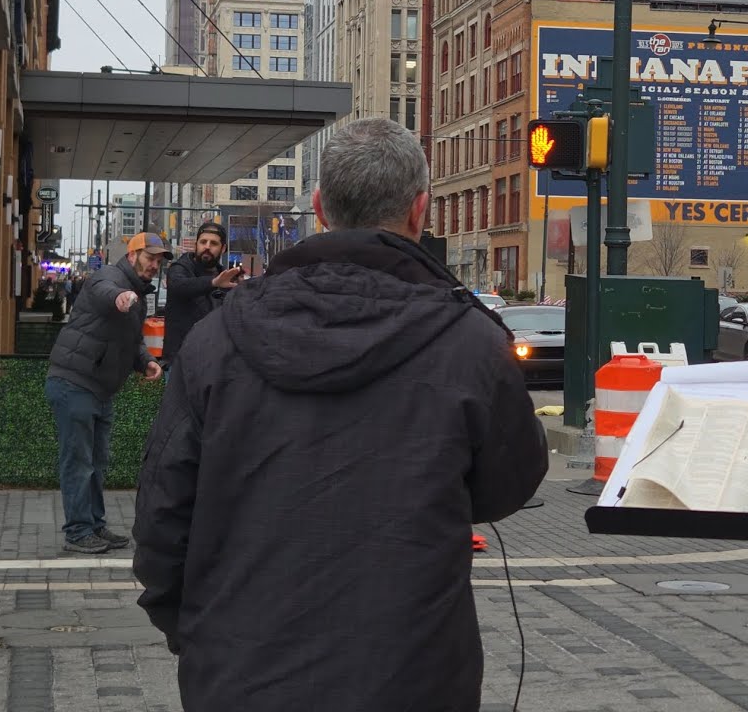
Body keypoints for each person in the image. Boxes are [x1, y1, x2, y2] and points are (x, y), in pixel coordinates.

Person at [133, 117, 549, 711]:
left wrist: (198, 633)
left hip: (239, 672)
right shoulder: (471, 343)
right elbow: (508, 484)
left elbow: (162, 519)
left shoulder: (216, 340)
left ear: (320, 206)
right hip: (414, 675)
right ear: (420, 211)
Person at [47, 232, 170, 554]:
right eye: (149, 257)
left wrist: (146, 362)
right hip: (75, 382)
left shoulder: (139, 296)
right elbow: (105, 292)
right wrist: (121, 298)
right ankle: (77, 532)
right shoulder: (111, 277)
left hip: (99, 389)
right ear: (132, 256)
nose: (154, 265)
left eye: (158, 261)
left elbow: (131, 341)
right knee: (79, 461)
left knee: (97, 461)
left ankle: (95, 525)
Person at [161, 222, 243, 380]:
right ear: (195, 244)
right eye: (203, 242)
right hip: (180, 362)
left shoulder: (225, 278)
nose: (207, 247)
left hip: (214, 363)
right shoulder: (180, 268)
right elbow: (180, 286)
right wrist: (213, 283)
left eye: (213, 243)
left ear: (223, 249)